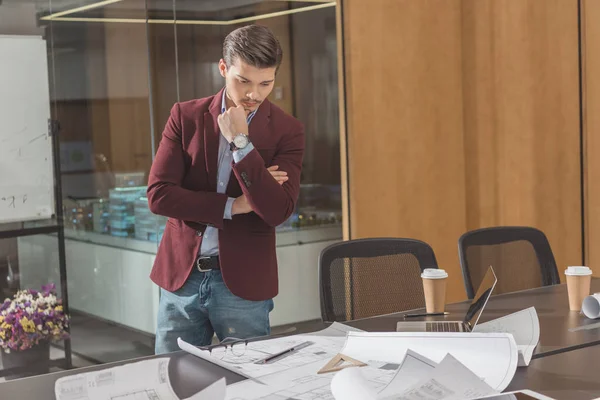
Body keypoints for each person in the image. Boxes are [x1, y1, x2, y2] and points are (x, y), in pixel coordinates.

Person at [147, 24, 305, 354]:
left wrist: (241, 144)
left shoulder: (286, 132)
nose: (254, 94)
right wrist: (232, 206)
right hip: (182, 279)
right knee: (171, 379)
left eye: (266, 83)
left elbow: (276, 210)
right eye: (243, 81)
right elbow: (159, 195)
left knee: (249, 384)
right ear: (223, 68)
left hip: (243, 285)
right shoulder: (185, 117)